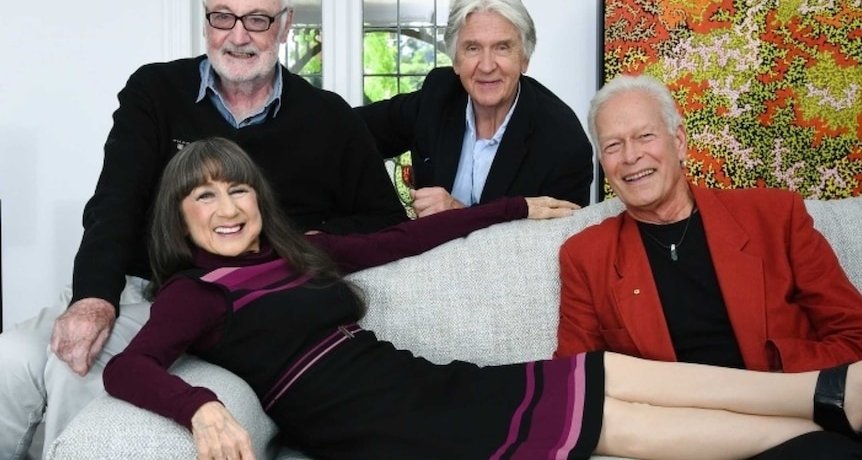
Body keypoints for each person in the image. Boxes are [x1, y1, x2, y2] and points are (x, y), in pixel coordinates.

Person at [103, 136, 862, 460]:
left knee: (608, 374)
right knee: (613, 422)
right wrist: (201, 408)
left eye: (238, 187)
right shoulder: (193, 294)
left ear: (258, 198)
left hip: (421, 385)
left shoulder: (300, 252)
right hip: (391, 430)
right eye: (205, 195)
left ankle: (829, 393)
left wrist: (515, 207)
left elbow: (404, 239)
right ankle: (817, 417)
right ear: (180, 214)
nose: (228, 205)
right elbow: (124, 367)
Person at [0, 0, 408, 458]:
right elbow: (114, 201)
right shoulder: (154, 91)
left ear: (285, 26)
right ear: (205, 21)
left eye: (257, 19)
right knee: (10, 357)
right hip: (138, 286)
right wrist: (93, 298)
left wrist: (282, 244)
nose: (238, 36)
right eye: (223, 17)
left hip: (218, 306)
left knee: (73, 368)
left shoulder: (329, 118)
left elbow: (383, 220)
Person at [555, 74, 862, 458]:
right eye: (613, 146)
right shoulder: (586, 255)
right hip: (688, 439)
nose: (631, 156)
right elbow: (576, 384)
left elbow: (855, 337)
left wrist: (773, 386)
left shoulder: (775, 217)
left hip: (797, 424)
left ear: (679, 141)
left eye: (645, 136)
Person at [355, 0, 594, 217]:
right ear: (455, 60)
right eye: (472, 48)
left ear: (525, 59)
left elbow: (557, 246)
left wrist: (461, 214)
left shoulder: (563, 141)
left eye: (502, 47)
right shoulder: (438, 95)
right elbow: (348, 130)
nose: (487, 66)